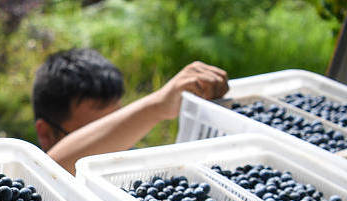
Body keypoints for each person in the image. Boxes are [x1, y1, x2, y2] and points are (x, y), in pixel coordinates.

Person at [31, 48, 229, 173]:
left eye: (119, 122)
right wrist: (157, 105)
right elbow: (51, 168)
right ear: (46, 133)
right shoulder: (34, 184)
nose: (117, 147)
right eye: (98, 133)